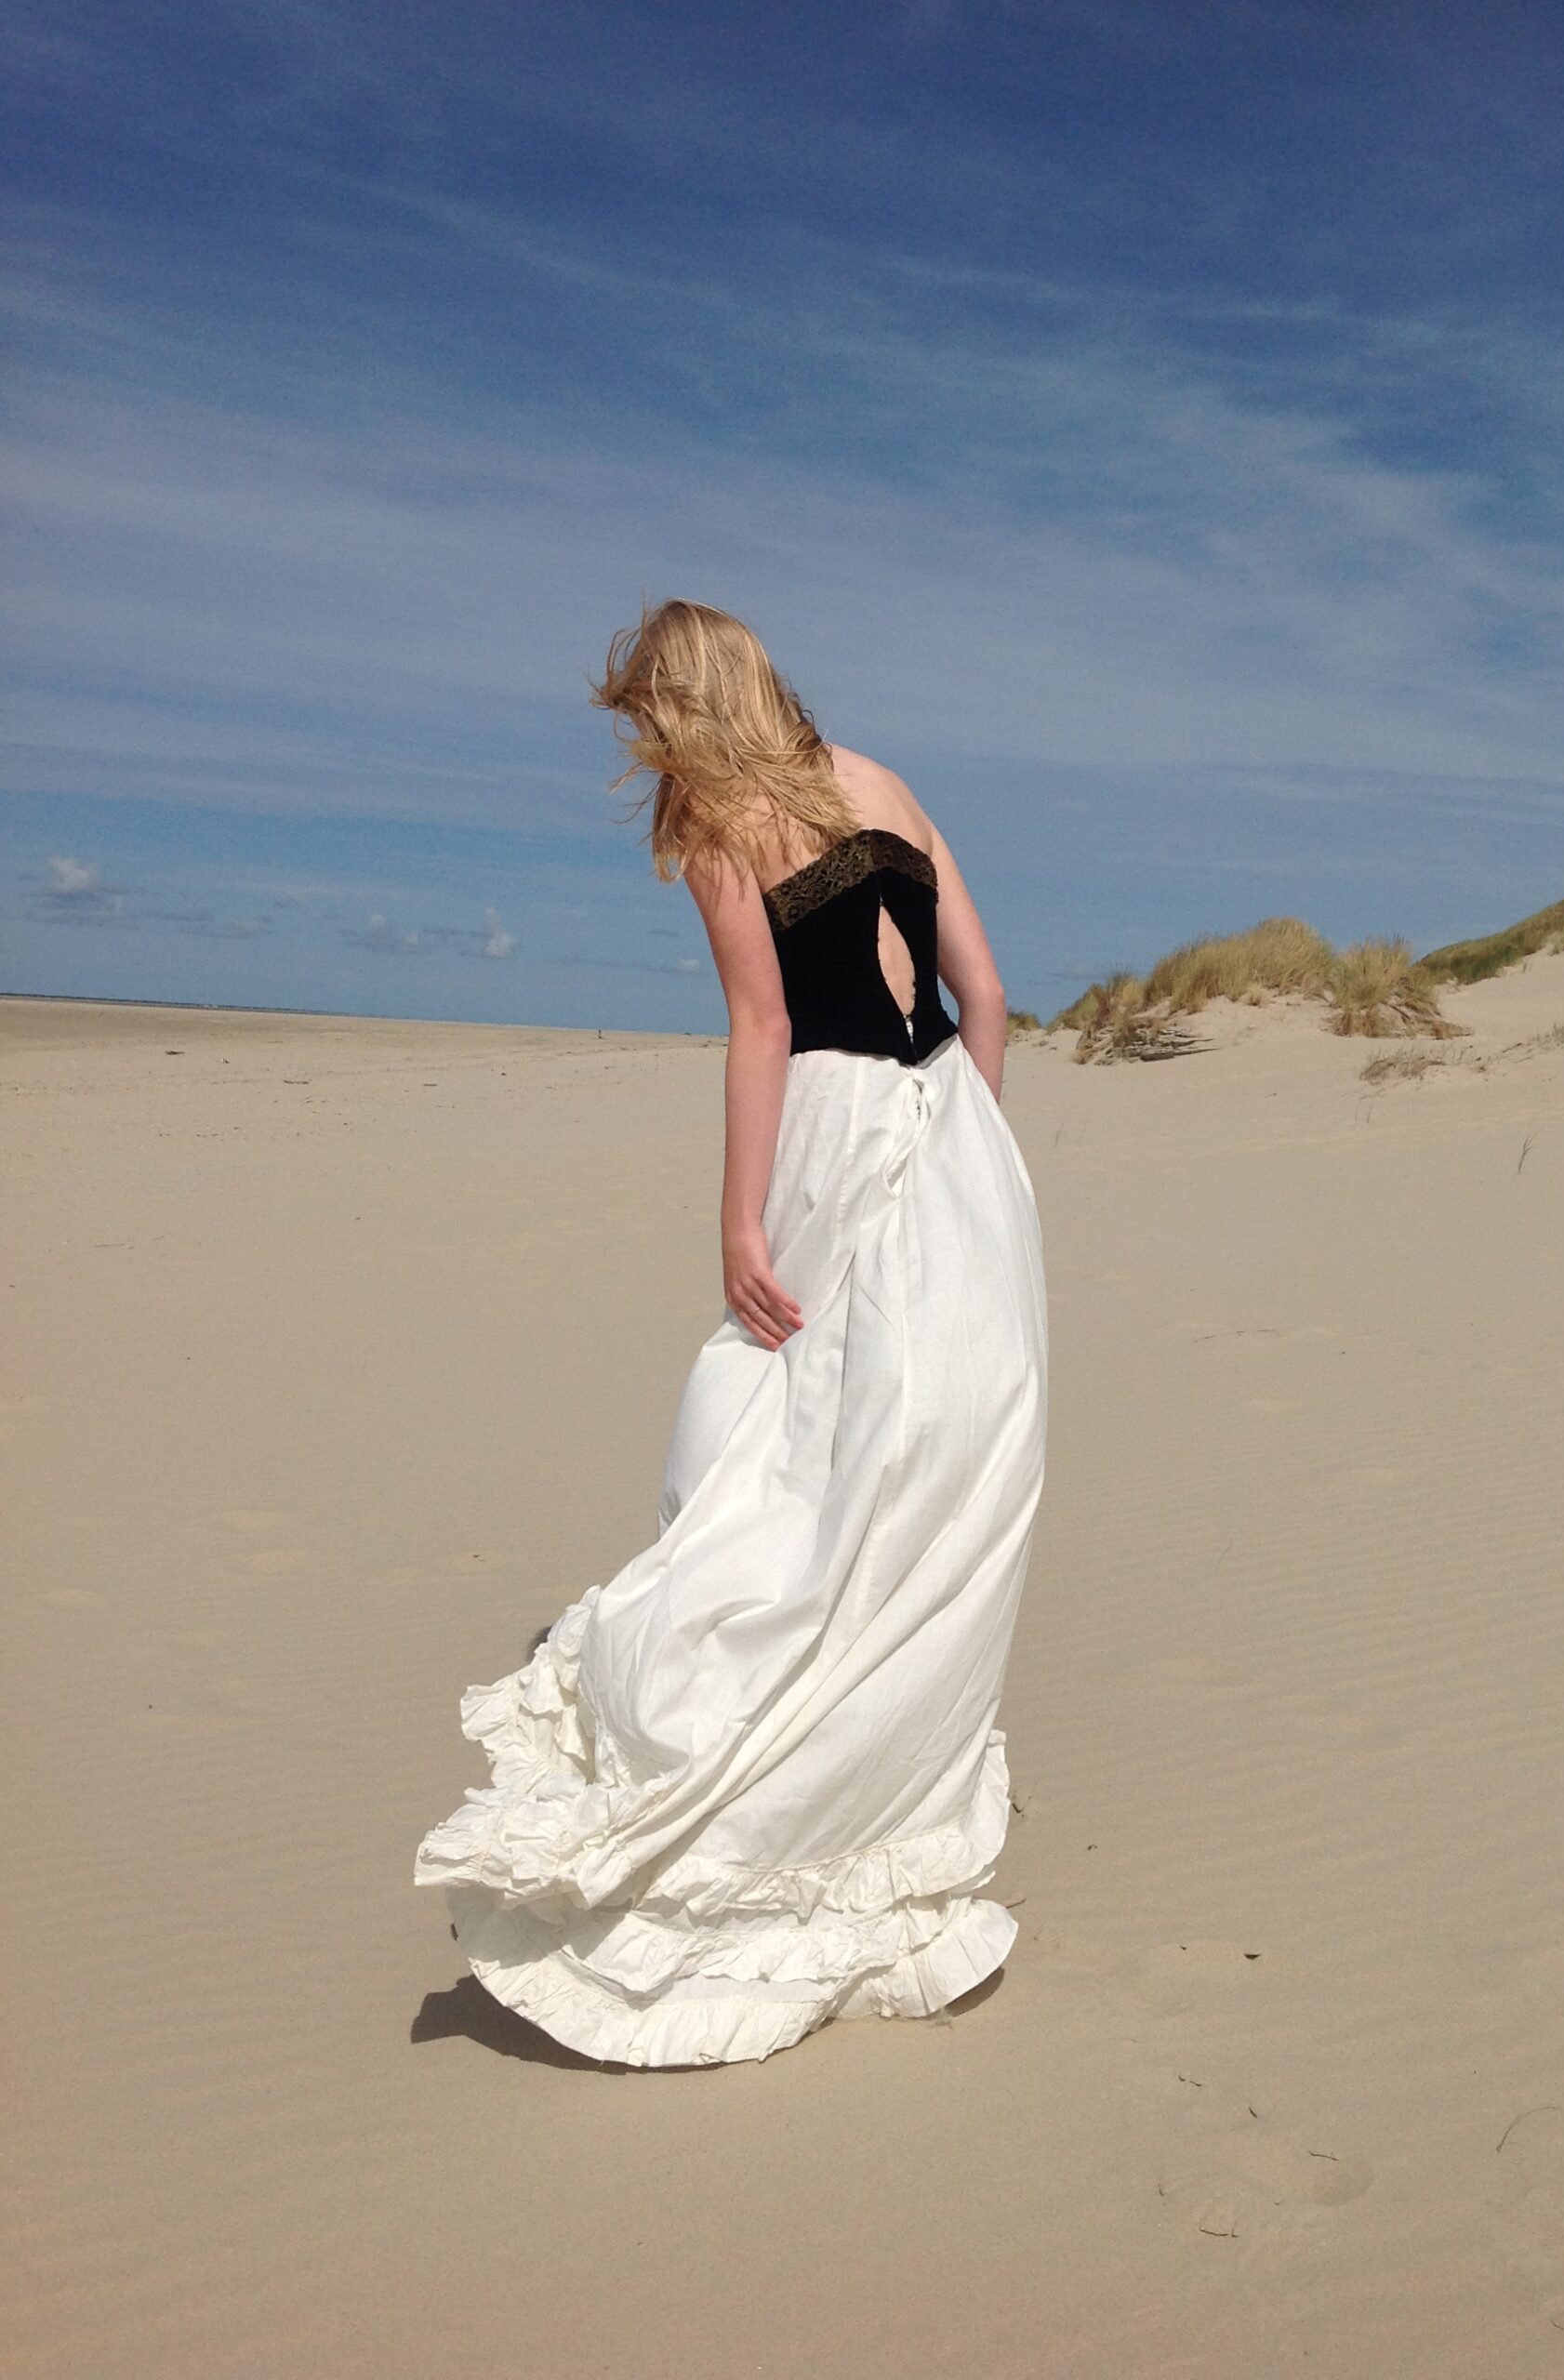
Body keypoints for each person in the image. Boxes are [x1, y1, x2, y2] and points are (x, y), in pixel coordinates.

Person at [415, 600, 1048, 2067]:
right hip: (958, 1141)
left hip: (833, 1129)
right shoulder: (883, 782)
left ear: (681, 707)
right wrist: (963, 1150)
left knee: (780, 1447)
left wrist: (740, 1225)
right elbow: (990, 996)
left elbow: (764, 1028)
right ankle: (890, 1775)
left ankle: (753, 1753)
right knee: (925, 1468)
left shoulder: (718, 823)